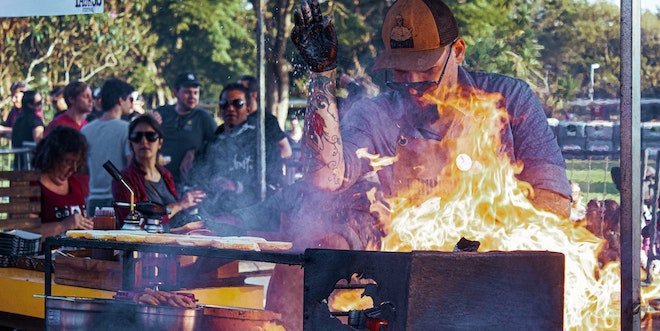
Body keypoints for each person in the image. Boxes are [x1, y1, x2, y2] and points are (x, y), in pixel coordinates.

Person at [188, 84, 284, 224]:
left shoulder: (261, 142)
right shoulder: (212, 142)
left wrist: (237, 186)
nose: (230, 108)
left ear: (249, 108)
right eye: (224, 104)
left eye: (237, 103)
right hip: (213, 216)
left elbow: (274, 184)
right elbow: (199, 178)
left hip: (252, 218)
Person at [111, 115, 206, 227]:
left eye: (150, 136)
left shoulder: (166, 175)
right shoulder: (124, 179)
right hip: (145, 243)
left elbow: (177, 215)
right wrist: (179, 205)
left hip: (172, 239)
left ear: (160, 142)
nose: (144, 141)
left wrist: (189, 203)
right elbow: (134, 224)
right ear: (130, 143)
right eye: (137, 136)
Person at [81, 78, 134, 216]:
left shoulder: (86, 130)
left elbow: (82, 168)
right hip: (119, 199)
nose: (132, 103)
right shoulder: (127, 129)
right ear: (120, 100)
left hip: (93, 200)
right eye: (130, 98)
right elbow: (131, 166)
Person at [154, 72, 216, 189]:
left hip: (189, 185)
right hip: (160, 182)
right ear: (175, 92)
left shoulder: (204, 117)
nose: (192, 96)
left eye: (196, 93)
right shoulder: (162, 113)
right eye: (187, 92)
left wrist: (195, 151)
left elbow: (218, 145)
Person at [32, 126, 93, 238]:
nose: (74, 169)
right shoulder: (32, 186)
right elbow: (24, 233)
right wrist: (62, 226)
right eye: (68, 162)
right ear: (52, 157)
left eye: (77, 163)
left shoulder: (74, 184)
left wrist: (87, 223)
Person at [235, 75, 293, 160]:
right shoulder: (236, 120)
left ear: (254, 95)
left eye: (242, 90)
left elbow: (286, 150)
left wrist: (265, 161)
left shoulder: (267, 120)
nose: (237, 94)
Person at [11, 91, 45, 169]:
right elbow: (40, 143)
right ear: (30, 105)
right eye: (39, 102)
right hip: (31, 166)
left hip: (18, 165)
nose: (41, 104)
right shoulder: (35, 121)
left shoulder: (18, 120)